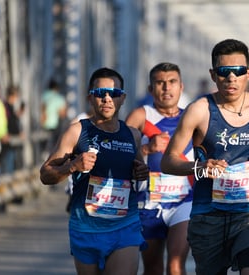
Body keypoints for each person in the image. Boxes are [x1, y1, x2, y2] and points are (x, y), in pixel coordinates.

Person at [161, 38, 249, 275]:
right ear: (213, 74)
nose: (232, 78)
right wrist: (199, 167)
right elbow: (168, 161)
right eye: (224, 71)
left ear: (248, 73)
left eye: (238, 71)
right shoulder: (199, 110)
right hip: (208, 216)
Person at [40, 67, 149, 275]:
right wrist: (72, 166)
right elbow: (45, 174)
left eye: (114, 94)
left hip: (124, 226)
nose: (107, 99)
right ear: (91, 98)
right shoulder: (77, 132)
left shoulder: (132, 135)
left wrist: (141, 172)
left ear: (122, 98)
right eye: (100, 93)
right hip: (86, 227)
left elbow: (138, 171)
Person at [125, 62, 193, 275]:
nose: (166, 88)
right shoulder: (140, 116)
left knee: (175, 265)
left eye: (172, 82)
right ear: (150, 89)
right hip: (149, 202)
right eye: (160, 83)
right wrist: (147, 148)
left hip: (185, 201)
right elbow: (119, 154)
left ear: (181, 87)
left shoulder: (192, 117)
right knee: (152, 268)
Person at [0, 85, 25, 174]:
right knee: (7, 166)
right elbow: (7, 122)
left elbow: (12, 120)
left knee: (11, 164)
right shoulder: (5, 107)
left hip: (12, 140)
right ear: (12, 95)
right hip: (7, 141)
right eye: (16, 96)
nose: (17, 98)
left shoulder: (10, 107)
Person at [40, 78, 67, 157]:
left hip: (45, 124)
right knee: (54, 144)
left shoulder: (44, 95)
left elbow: (42, 109)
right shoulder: (59, 98)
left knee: (45, 144)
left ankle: (44, 155)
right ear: (56, 88)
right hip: (56, 124)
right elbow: (62, 113)